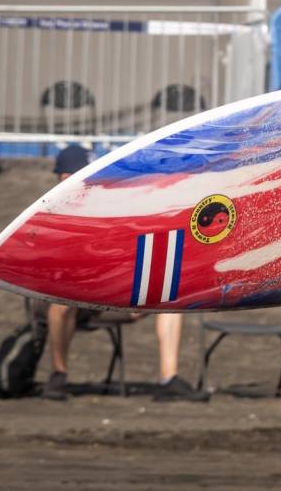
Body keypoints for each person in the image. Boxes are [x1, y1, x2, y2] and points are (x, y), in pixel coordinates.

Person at [42, 143, 208, 403]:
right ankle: (58, 375)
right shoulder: (48, 216)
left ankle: (169, 379)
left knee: (169, 300)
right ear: (65, 178)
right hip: (74, 297)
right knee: (59, 303)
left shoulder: (107, 210)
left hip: (110, 296)